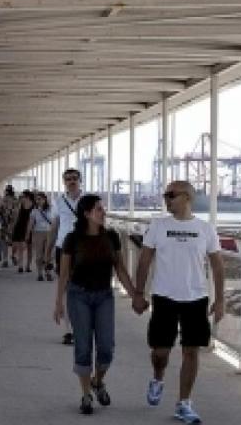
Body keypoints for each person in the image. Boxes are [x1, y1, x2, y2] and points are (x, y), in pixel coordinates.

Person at [132, 181, 224, 424]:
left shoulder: (205, 229)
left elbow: (217, 266)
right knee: (160, 352)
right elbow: (144, 261)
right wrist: (138, 294)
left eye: (171, 195)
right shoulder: (158, 226)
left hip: (196, 298)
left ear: (187, 197)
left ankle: (184, 403)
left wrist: (221, 300)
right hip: (164, 297)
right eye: (165, 195)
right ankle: (158, 377)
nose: (166, 199)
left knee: (191, 351)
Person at [54, 194, 139, 415]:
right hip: (78, 296)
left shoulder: (111, 236)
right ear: (87, 214)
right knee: (83, 346)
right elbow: (64, 274)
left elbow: (120, 269)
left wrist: (135, 296)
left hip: (104, 296)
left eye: (103, 208)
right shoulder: (72, 239)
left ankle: (98, 381)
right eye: (99, 209)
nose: (103, 212)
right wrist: (58, 303)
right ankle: (86, 395)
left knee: (106, 348)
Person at [48, 168, 87, 346]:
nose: (71, 181)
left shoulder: (88, 200)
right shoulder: (58, 202)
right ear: (64, 182)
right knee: (65, 287)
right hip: (63, 247)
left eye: (74, 178)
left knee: (84, 288)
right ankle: (68, 330)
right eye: (68, 179)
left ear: (80, 180)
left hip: (84, 248)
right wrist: (47, 251)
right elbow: (54, 226)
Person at [28, 192, 56, 281]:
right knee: (39, 254)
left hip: (49, 233)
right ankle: (40, 273)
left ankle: (48, 273)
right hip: (38, 233)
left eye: (40, 199)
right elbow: (30, 223)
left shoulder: (51, 209)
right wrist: (28, 234)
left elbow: (54, 222)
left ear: (45, 199)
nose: (38, 201)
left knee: (49, 254)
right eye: (37, 199)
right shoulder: (34, 211)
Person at [11, 191, 35, 273]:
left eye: (23, 196)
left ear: (27, 197)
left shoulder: (34, 206)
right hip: (20, 228)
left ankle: (28, 266)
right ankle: (20, 266)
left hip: (30, 228)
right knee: (20, 247)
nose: (21, 198)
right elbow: (16, 217)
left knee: (29, 248)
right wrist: (13, 227)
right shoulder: (20, 205)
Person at [0, 185, 18, 269]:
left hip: (7, 224)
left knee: (6, 242)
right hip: (11, 224)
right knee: (12, 242)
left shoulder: (4, 200)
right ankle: (11, 257)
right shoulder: (14, 200)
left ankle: (7, 259)